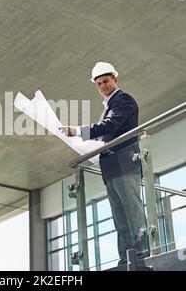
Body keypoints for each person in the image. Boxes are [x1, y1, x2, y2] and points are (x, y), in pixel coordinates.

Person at [60, 62, 149, 265]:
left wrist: (78, 131)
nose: (102, 86)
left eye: (105, 81)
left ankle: (143, 255)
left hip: (126, 165)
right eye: (99, 83)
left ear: (115, 79)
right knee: (120, 218)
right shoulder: (108, 106)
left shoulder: (123, 100)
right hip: (111, 169)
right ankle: (126, 258)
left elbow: (110, 125)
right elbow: (107, 134)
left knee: (132, 213)